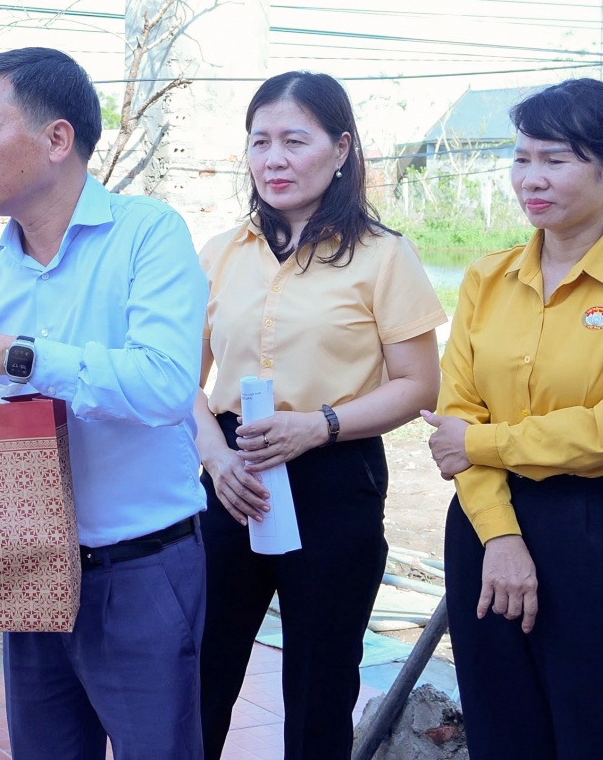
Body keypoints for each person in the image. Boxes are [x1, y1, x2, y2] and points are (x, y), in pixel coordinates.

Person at [0, 47, 209, 760]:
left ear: (57, 139)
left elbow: (165, 384)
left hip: (141, 571)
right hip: (30, 568)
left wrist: (20, 355)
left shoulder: (149, 234)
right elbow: (4, 416)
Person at [423, 78, 603, 760]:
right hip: (487, 529)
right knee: (503, 729)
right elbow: (455, 408)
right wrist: (500, 535)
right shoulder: (486, 279)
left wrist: (483, 442)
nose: (531, 178)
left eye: (556, 159)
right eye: (521, 158)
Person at [192, 71, 445, 760]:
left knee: (319, 684)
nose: (273, 159)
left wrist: (320, 424)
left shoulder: (382, 255)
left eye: (293, 141)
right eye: (260, 141)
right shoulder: (220, 253)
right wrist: (215, 458)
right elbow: (182, 380)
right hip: (229, 480)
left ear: (340, 149)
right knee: (200, 674)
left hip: (334, 476)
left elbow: (419, 384)